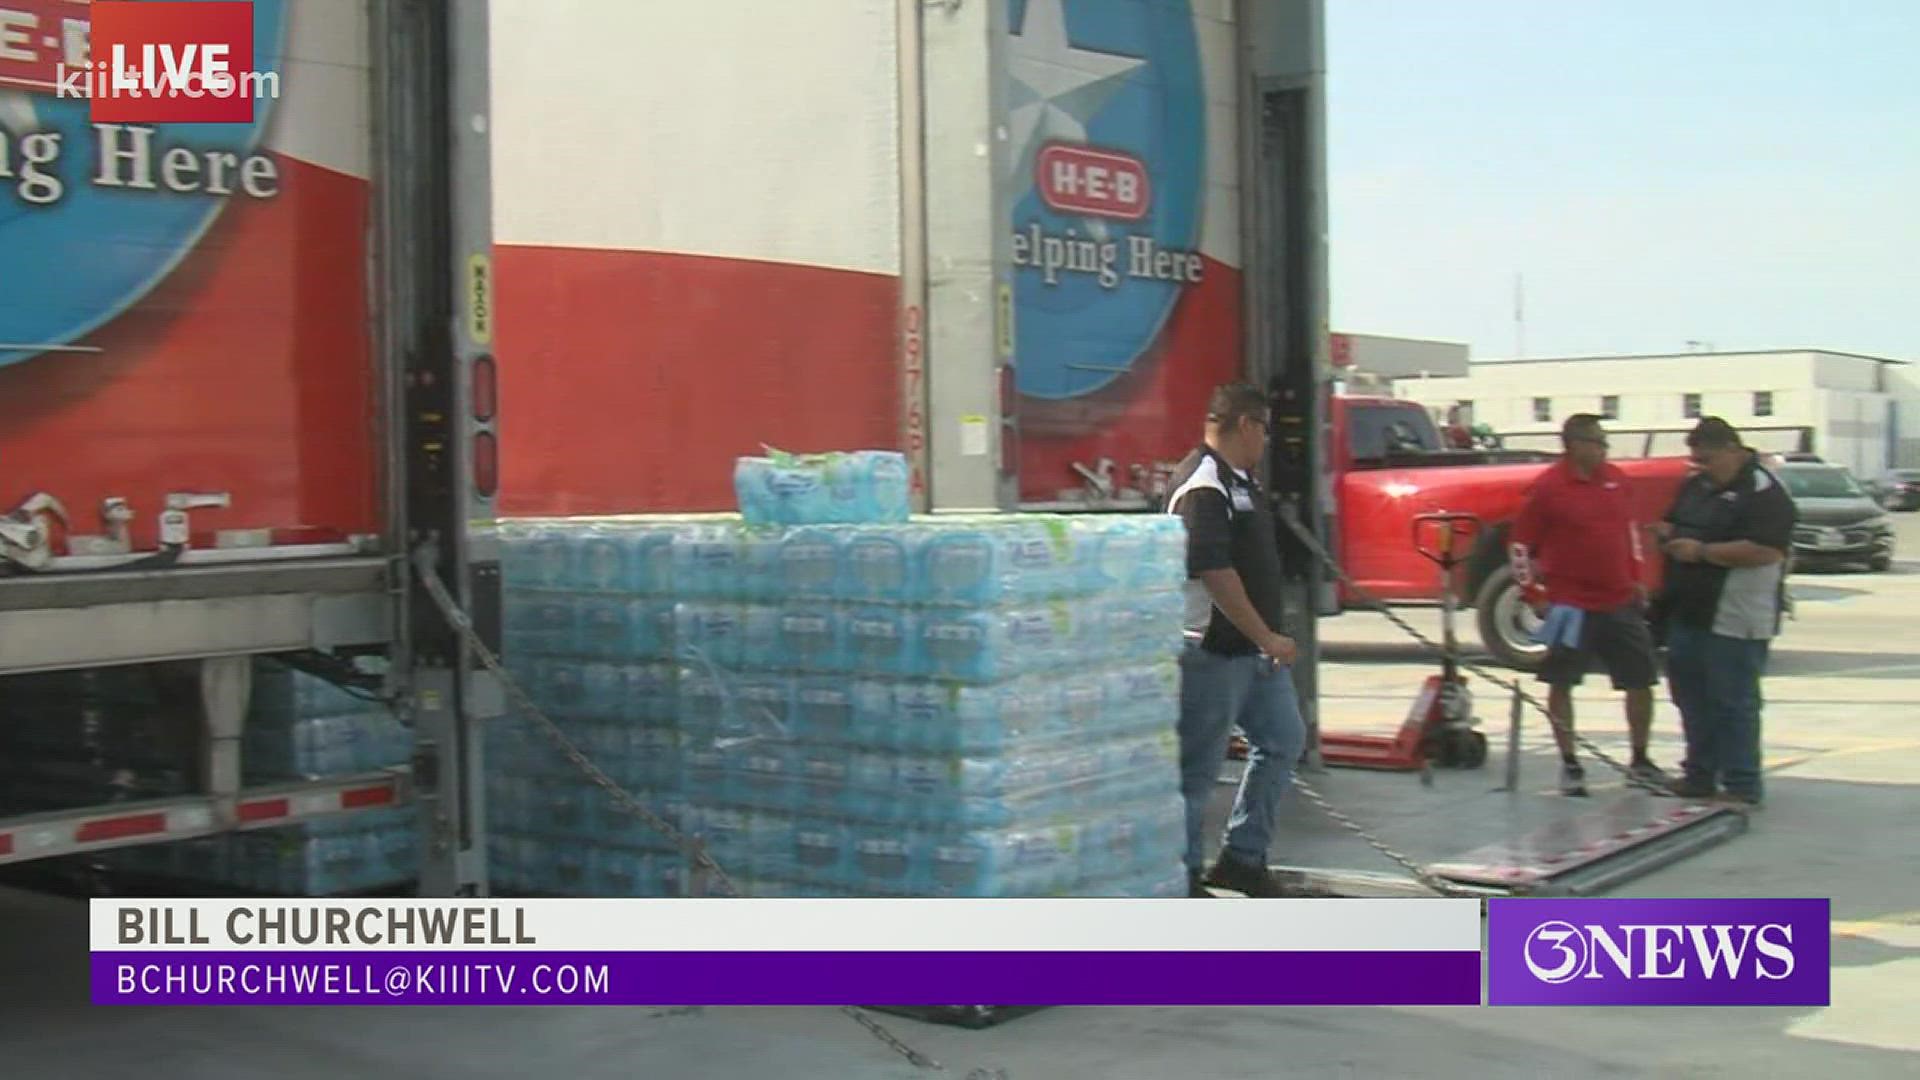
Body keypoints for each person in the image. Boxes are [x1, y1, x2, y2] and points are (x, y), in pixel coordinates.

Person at [1164, 383, 1308, 898]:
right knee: (1197, 771)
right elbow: (1213, 571)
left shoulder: (1239, 480)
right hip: (1211, 652)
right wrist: (1266, 634)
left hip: (1251, 652)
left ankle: (1243, 856)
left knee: (1283, 739)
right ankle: (1182, 879)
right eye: (1265, 429)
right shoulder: (1203, 485)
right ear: (1246, 424)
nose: (1267, 441)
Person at [1508, 414, 1667, 796]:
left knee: (1641, 680)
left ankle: (1640, 759)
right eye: (1596, 441)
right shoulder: (1547, 489)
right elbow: (1518, 547)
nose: (1603, 448)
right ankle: (1570, 764)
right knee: (1562, 682)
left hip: (1619, 600)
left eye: (1604, 441)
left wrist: (1637, 580)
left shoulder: (1617, 481)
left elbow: (1629, 535)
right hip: (1571, 605)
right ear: (1573, 444)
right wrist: (1534, 595)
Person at [1650, 417, 1795, 809]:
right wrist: (1666, 533)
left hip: (1735, 615)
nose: (1701, 467)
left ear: (1734, 450)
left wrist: (1702, 552)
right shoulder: (1696, 485)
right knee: (1690, 698)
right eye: (1696, 460)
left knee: (1733, 702)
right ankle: (1699, 775)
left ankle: (1742, 785)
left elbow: (1767, 550)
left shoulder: (1764, 491)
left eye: (1708, 459)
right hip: (1688, 611)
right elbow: (1673, 518)